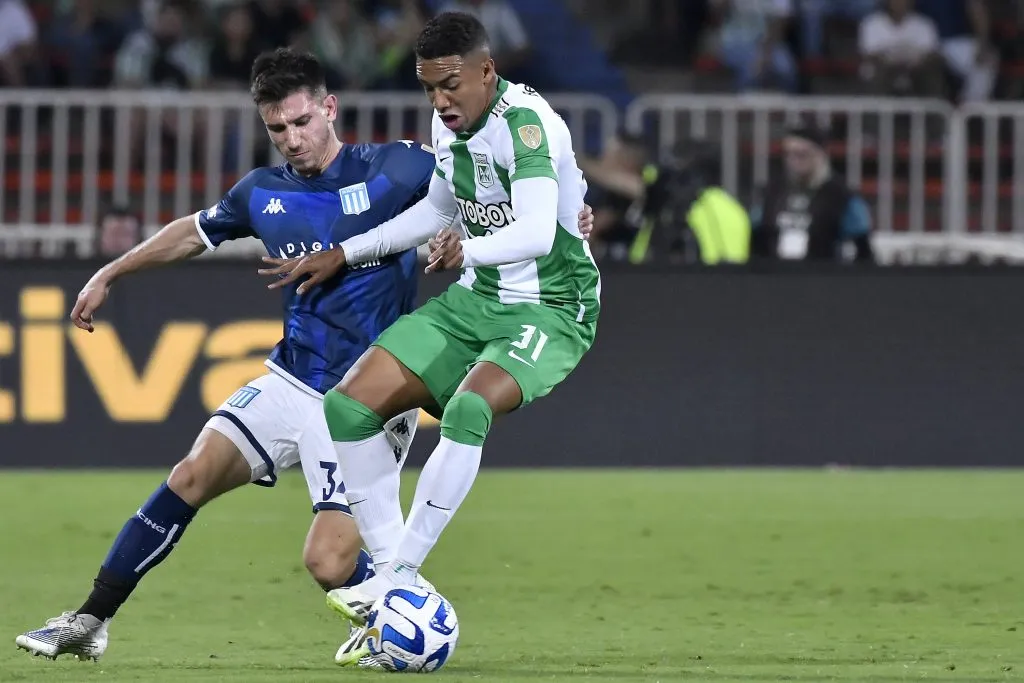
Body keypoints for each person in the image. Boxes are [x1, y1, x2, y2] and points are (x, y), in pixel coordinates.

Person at [14, 45, 597, 666]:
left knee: (327, 561)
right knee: (190, 475)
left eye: (301, 122)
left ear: (329, 109)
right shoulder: (262, 193)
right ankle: (88, 620)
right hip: (291, 376)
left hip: (369, 388)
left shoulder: (397, 168)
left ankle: (408, 610)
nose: (292, 139)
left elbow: (488, 179)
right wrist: (112, 271)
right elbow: (191, 231)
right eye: (277, 129)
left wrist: (568, 211)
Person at [258, 12, 600, 665]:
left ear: (484, 72)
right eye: (428, 89)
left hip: (552, 306)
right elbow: (435, 212)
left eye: (450, 85)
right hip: (480, 299)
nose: (440, 101)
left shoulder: (526, 126)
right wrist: (348, 252)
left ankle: (396, 580)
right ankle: (395, 579)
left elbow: (533, 232)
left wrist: (467, 247)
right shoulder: (448, 131)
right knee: (348, 405)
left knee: (470, 407)